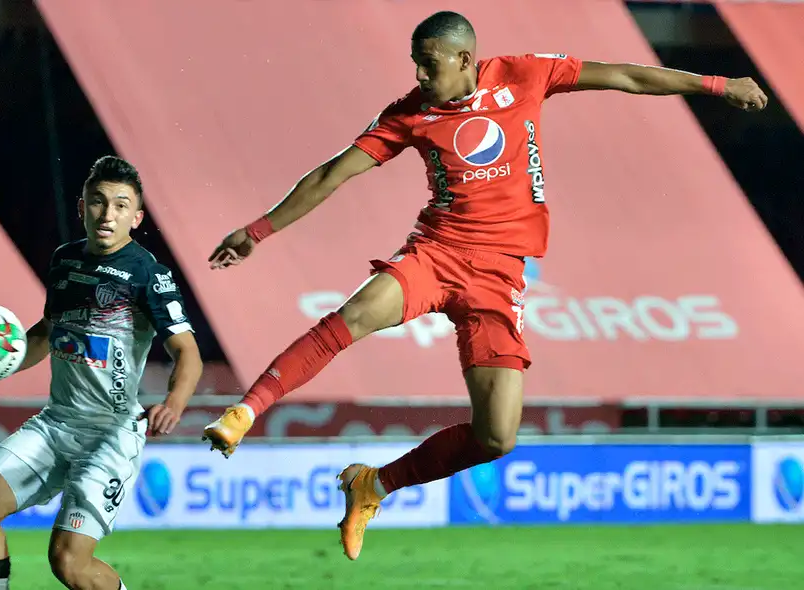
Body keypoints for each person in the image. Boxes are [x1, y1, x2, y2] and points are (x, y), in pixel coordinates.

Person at [202, 10, 767, 560]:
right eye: (415, 65)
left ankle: (373, 486)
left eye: (429, 64)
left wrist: (717, 84)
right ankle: (246, 412)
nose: (420, 77)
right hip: (439, 252)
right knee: (354, 316)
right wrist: (258, 230)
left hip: (500, 274)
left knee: (497, 437)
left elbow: (626, 75)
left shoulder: (525, 74)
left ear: (464, 59)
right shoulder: (409, 113)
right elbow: (333, 172)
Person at [0, 156, 204, 589]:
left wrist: (174, 402)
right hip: (56, 424)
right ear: (81, 206)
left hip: (110, 433)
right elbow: (47, 333)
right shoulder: (64, 261)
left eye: (121, 206)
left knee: (68, 562)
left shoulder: (148, 274)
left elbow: (189, 353)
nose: (108, 214)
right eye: (98, 202)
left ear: (137, 217)